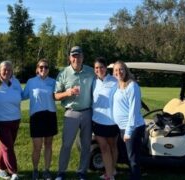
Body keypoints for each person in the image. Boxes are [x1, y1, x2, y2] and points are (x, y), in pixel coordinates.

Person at [54, 46, 95, 180]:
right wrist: (68, 92)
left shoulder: (90, 71)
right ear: (70, 58)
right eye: (74, 56)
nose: (76, 58)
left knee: (86, 145)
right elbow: (55, 95)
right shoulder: (63, 73)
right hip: (71, 113)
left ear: (83, 57)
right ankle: (61, 172)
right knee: (66, 144)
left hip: (87, 112)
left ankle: (82, 172)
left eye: (79, 56)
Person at [23, 59, 58, 180]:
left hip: (50, 115)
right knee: (37, 147)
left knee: (48, 145)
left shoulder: (53, 82)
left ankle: (47, 170)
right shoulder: (31, 81)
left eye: (46, 67)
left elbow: (58, 96)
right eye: (41, 67)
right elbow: (22, 96)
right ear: (37, 68)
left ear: (48, 69)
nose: (44, 69)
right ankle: (35, 170)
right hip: (36, 117)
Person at [0, 61, 22, 180]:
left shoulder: (16, 82)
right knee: (8, 147)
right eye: (4, 69)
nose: (7, 72)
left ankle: (1, 169)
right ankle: (14, 172)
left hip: (15, 119)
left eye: (9, 70)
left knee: (6, 145)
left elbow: (21, 95)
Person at [112, 60, 145, 180]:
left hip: (132, 127)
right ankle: (132, 174)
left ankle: (135, 177)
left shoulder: (132, 86)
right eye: (116, 70)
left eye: (121, 69)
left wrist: (128, 132)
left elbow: (134, 111)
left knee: (133, 158)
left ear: (125, 70)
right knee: (127, 156)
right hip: (121, 127)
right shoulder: (117, 85)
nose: (118, 72)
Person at [92, 57, 119, 180]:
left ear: (106, 67)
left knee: (112, 146)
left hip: (112, 121)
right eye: (96, 68)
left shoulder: (115, 81)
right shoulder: (94, 82)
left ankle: (112, 170)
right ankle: (109, 175)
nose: (99, 70)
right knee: (104, 147)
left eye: (101, 67)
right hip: (97, 120)